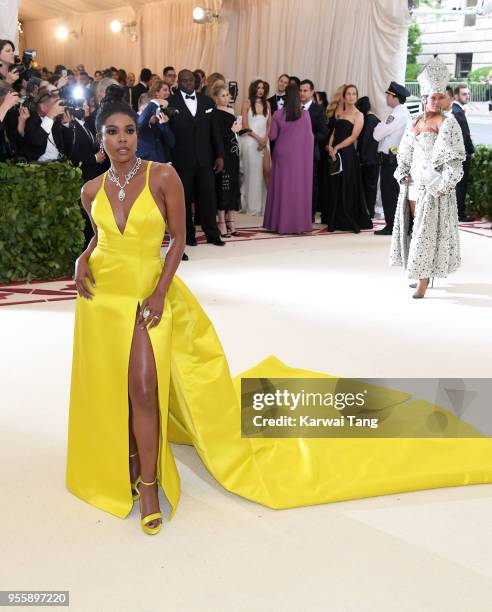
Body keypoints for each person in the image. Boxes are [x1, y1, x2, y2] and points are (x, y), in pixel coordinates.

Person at [390, 57, 466, 299]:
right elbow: (405, 151)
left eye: (439, 96)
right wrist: (402, 171)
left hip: (434, 186)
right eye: (431, 97)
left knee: (426, 230)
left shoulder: (447, 122)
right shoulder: (416, 121)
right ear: (423, 98)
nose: (435, 101)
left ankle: (422, 280)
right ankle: (425, 272)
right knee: (415, 227)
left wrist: (445, 184)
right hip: (413, 184)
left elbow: (455, 158)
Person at [167, 69, 225, 246]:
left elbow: (215, 131)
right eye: (184, 81)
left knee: (208, 197)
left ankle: (213, 234)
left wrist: (220, 155)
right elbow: (168, 135)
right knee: (184, 199)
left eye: (191, 80)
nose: (188, 84)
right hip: (182, 160)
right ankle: (188, 237)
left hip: (205, 158)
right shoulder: (170, 103)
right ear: (178, 82)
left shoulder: (207, 101)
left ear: (196, 81)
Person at [263, 84, 313, 234]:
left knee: (281, 189)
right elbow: (310, 138)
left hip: (282, 155)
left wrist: (269, 123)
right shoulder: (305, 115)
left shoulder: (278, 114)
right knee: (297, 189)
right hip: (299, 157)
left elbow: (272, 136)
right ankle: (298, 225)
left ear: (286, 97)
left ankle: (279, 224)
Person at [325, 84, 373, 233]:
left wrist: (337, 148)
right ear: (344, 96)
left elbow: (353, 137)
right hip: (335, 153)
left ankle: (349, 219)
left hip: (347, 155)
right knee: (335, 185)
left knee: (347, 185)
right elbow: (334, 131)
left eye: (354, 94)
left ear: (356, 97)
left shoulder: (359, 115)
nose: (351, 96)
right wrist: (330, 146)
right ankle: (336, 219)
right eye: (349, 94)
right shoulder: (341, 113)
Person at [373, 81, 411, 235]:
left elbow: (377, 134)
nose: (386, 97)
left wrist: (380, 126)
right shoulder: (401, 112)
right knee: (394, 193)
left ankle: (393, 226)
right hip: (393, 159)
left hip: (392, 160)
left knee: (390, 194)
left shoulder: (397, 114)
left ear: (395, 97)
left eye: (388, 95)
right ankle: (397, 225)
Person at [212, 84, 241, 236]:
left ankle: (231, 219)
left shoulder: (231, 110)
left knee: (233, 184)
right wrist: (232, 132)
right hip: (223, 153)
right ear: (216, 98)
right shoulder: (214, 113)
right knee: (224, 184)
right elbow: (218, 136)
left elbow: (234, 133)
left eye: (227, 95)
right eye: (222, 95)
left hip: (233, 152)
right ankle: (221, 221)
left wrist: (237, 131)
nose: (226, 98)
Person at [240, 79, 271, 215]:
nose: (261, 90)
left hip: (264, 141)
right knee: (252, 174)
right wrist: (259, 139)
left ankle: (267, 206)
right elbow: (245, 126)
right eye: (258, 87)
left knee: (266, 171)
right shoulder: (247, 103)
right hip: (250, 141)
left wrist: (265, 139)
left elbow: (270, 124)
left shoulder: (268, 104)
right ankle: (253, 207)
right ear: (254, 88)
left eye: (263, 88)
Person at [300, 79, 329, 221]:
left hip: (311, 153)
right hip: (295, 154)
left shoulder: (318, 110)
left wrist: (308, 138)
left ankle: (309, 214)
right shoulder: (294, 108)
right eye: (300, 90)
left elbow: (324, 132)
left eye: (305, 90)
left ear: (312, 92)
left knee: (311, 184)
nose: (302, 93)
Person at [452, 84, 475, 222]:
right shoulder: (458, 111)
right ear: (456, 96)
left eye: (467, 94)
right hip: (461, 154)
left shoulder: (454, 109)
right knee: (461, 185)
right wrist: (471, 151)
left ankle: (456, 212)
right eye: (464, 94)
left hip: (455, 153)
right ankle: (459, 213)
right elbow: (465, 135)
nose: (467, 96)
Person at [356, 96, 381, 218]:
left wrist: (362, 158)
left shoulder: (369, 119)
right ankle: (368, 210)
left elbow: (366, 141)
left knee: (369, 186)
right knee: (370, 186)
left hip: (369, 159)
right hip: (371, 159)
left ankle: (369, 211)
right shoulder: (371, 118)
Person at [136, 92, 175, 164]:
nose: (156, 114)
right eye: (154, 110)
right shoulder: (133, 121)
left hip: (161, 165)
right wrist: (153, 103)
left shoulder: (156, 121)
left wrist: (165, 124)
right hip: (144, 168)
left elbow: (171, 143)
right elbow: (140, 124)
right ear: (143, 109)